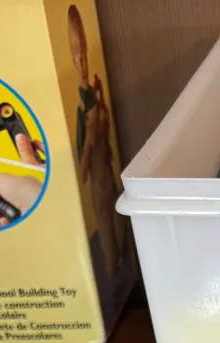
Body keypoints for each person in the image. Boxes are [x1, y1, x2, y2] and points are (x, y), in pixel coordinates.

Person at [67, 4, 124, 275]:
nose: (83, 65)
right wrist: (91, 137)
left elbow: (99, 135)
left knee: (116, 223)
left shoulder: (91, 96)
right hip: (100, 179)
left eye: (84, 59)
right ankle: (114, 273)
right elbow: (84, 163)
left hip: (107, 174)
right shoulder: (84, 102)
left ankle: (118, 270)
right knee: (107, 228)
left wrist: (101, 119)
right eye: (78, 60)